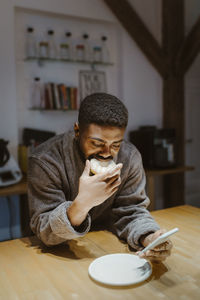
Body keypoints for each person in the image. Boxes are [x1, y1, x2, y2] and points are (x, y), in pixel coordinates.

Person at [28, 92, 172, 262]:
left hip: (108, 248)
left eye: (115, 145)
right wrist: (82, 204)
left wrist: (149, 238)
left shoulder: (130, 157)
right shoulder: (45, 160)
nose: (106, 153)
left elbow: (132, 211)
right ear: (77, 130)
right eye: (96, 143)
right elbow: (45, 231)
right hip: (57, 254)